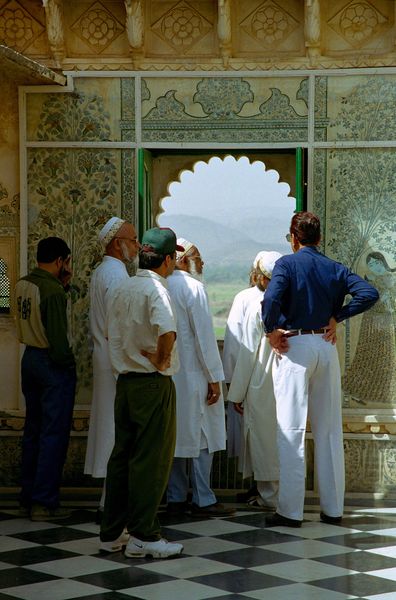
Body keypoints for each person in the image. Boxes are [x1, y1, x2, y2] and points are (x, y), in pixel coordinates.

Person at [262, 212, 379, 528]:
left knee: (292, 428)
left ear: (294, 237)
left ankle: (290, 511)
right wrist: (337, 317)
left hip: (295, 346)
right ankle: (332, 508)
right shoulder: (335, 267)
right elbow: (369, 294)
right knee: (329, 429)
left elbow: (271, 298)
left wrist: (271, 330)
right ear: (319, 237)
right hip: (326, 348)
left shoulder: (287, 264)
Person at [99, 227, 184, 559]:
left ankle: (112, 532)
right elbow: (168, 329)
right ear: (167, 260)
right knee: (151, 460)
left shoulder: (122, 288)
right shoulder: (156, 290)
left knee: (122, 458)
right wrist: (162, 360)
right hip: (151, 383)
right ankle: (144, 536)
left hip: (126, 383)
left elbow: (110, 332)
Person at [166, 239, 234, 518]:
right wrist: (214, 378)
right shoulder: (193, 288)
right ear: (182, 259)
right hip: (195, 376)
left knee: (175, 437)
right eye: (198, 257)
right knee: (201, 438)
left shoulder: (161, 285)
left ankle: (176, 497)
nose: (202, 263)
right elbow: (205, 340)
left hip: (170, 377)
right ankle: (204, 499)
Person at [15, 237, 76, 522]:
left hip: (29, 359)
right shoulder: (52, 291)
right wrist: (69, 365)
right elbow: (58, 343)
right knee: (53, 434)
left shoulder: (22, 283)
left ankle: (27, 498)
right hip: (51, 364)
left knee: (33, 430)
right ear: (61, 260)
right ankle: (44, 502)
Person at [84, 217, 140, 522]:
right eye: (132, 240)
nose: (136, 245)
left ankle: (111, 501)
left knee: (111, 428)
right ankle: (114, 504)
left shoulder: (104, 271)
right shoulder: (116, 275)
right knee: (117, 431)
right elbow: (120, 329)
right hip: (116, 363)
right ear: (117, 244)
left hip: (105, 360)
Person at [227, 251, 282, 510]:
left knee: (263, 437)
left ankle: (269, 496)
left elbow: (243, 351)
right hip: (286, 378)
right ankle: (279, 494)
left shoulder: (258, 303)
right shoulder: (292, 299)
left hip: (261, 378)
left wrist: (235, 392)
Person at [223, 252, 267, 460]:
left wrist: (233, 384)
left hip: (247, 378)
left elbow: (234, 344)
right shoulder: (289, 298)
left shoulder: (244, 298)